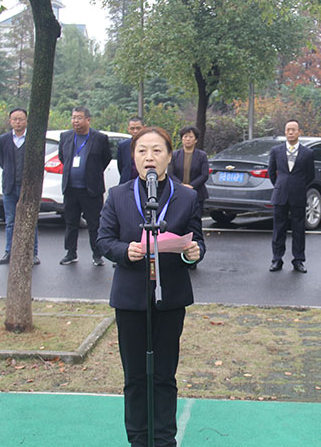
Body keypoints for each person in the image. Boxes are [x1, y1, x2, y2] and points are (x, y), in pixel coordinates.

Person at [97, 126, 204, 447]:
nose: (149, 157)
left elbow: (197, 240)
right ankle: (139, 439)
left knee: (163, 375)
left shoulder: (187, 196)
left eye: (157, 150)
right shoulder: (118, 195)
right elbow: (104, 240)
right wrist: (124, 251)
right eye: (142, 150)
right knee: (135, 376)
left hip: (170, 297)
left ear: (170, 157)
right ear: (133, 157)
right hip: (130, 299)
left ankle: (164, 439)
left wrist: (193, 252)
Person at [58, 106, 112, 266]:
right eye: (73, 117)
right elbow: (62, 157)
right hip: (71, 188)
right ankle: (70, 253)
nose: (75, 121)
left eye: (79, 118)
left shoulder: (99, 138)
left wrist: (92, 173)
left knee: (94, 224)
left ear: (88, 120)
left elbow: (106, 158)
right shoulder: (66, 136)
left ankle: (97, 254)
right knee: (71, 222)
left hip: (91, 189)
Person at [267, 119, 315, 273]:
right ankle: (277, 259)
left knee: (298, 229)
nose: (291, 132)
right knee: (278, 228)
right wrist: (280, 185)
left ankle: (298, 260)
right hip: (280, 194)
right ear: (285, 132)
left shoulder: (307, 153)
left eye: (294, 129)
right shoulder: (276, 150)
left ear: (299, 132)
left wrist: (298, 185)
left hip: (298, 194)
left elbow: (310, 175)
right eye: (288, 129)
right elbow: (271, 172)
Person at [0, 108, 40, 265]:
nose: (17, 122)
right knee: (10, 221)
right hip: (9, 186)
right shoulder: (3, 139)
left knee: (31, 221)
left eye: (21, 119)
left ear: (26, 121)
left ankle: (33, 253)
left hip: (28, 188)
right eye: (14, 119)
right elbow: (2, 161)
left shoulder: (33, 139)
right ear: (10, 121)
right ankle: (9, 252)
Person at [168, 125, 209, 213]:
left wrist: (191, 186)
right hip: (178, 192)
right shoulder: (174, 155)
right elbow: (170, 174)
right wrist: (181, 185)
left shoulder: (202, 155)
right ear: (182, 139)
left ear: (196, 140)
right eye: (185, 136)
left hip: (197, 192)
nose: (188, 139)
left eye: (191, 137)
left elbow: (204, 175)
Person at [117, 116, 144, 184]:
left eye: (138, 128)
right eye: (132, 128)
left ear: (144, 128)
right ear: (128, 129)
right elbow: (121, 166)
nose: (135, 131)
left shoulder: (150, 145)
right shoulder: (123, 145)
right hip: (127, 182)